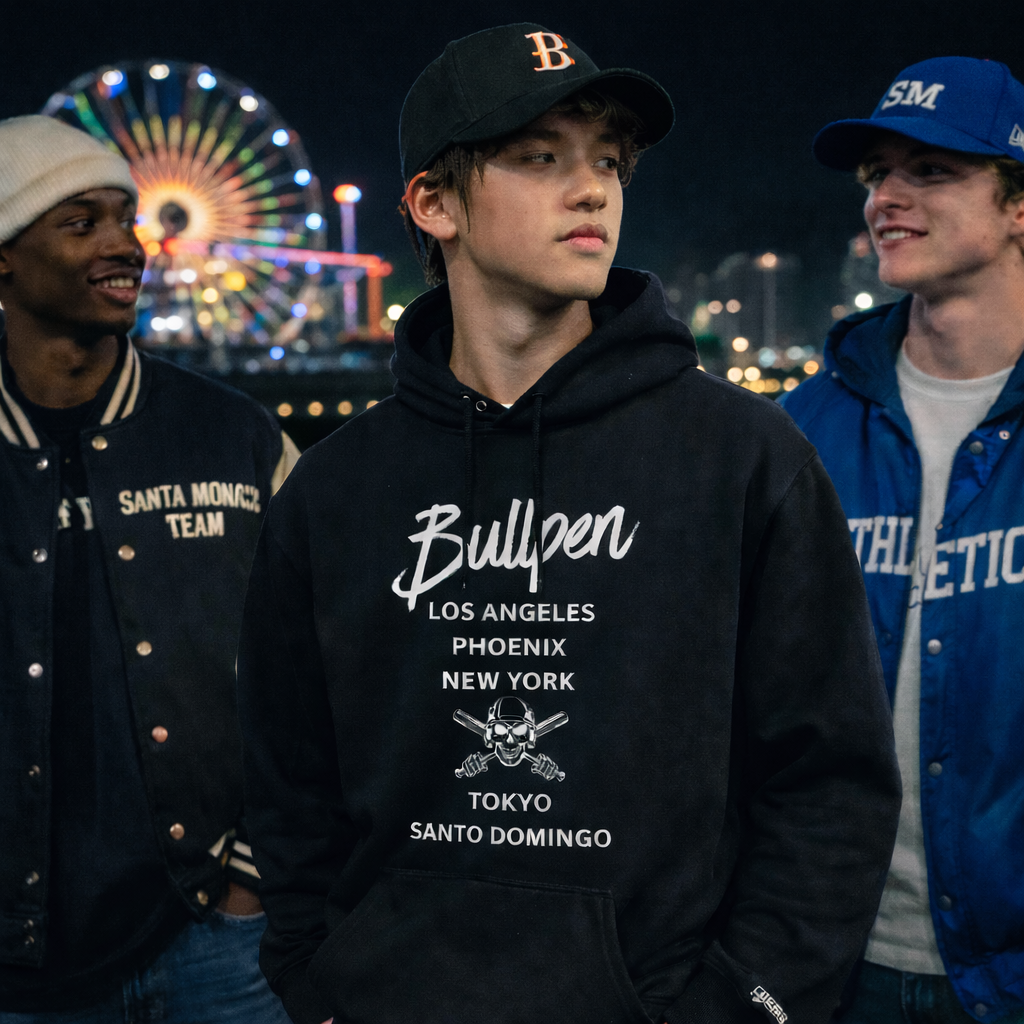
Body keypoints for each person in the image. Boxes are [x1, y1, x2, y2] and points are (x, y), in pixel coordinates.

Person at [236, 24, 901, 1024]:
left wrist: (741, 1005)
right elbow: (289, 785)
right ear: (434, 201)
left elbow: (830, 786)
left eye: (606, 161)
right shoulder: (334, 492)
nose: (591, 189)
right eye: (540, 158)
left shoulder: (743, 458)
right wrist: (320, 978)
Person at [0, 115, 297, 1022]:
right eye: (79, 221)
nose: (124, 245)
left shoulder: (237, 437)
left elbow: (332, 662)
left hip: (215, 942)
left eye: (125, 218)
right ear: (3, 258)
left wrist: (253, 875)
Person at [781, 56, 1024, 1024]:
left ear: (1017, 205)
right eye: (876, 173)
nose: (886, 196)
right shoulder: (799, 431)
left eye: (929, 170)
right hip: (830, 964)